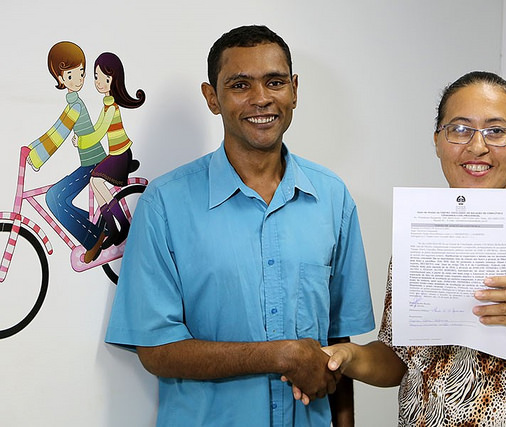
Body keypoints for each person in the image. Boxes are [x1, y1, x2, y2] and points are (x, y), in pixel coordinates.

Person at [105, 25, 374, 427]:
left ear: (295, 89)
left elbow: (339, 346)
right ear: (212, 98)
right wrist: (278, 355)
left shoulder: (332, 198)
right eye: (240, 85)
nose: (261, 98)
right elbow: (156, 351)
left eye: (275, 82)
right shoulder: (165, 203)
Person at [316, 71, 506, 426]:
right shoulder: (420, 230)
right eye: (460, 129)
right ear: (437, 141)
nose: (477, 147)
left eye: (496, 131)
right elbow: (400, 359)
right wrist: (348, 355)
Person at [26, 41, 107, 258]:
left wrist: (37, 157)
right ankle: (98, 230)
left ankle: (93, 237)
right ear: (61, 79)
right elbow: (55, 129)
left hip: (94, 162)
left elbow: (59, 135)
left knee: (55, 198)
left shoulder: (76, 106)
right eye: (71, 75)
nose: (79, 79)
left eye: (80, 72)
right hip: (90, 162)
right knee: (56, 197)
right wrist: (31, 148)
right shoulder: (73, 103)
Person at [78, 52, 145, 262]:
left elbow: (99, 133)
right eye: (96, 77)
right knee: (95, 182)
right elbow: (98, 128)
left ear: (114, 80)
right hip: (117, 153)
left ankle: (121, 226)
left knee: (95, 180)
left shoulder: (112, 107)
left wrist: (81, 141)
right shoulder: (107, 104)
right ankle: (116, 226)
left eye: (104, 78)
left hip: (121, 154)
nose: (99, 82)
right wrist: (84, 138)